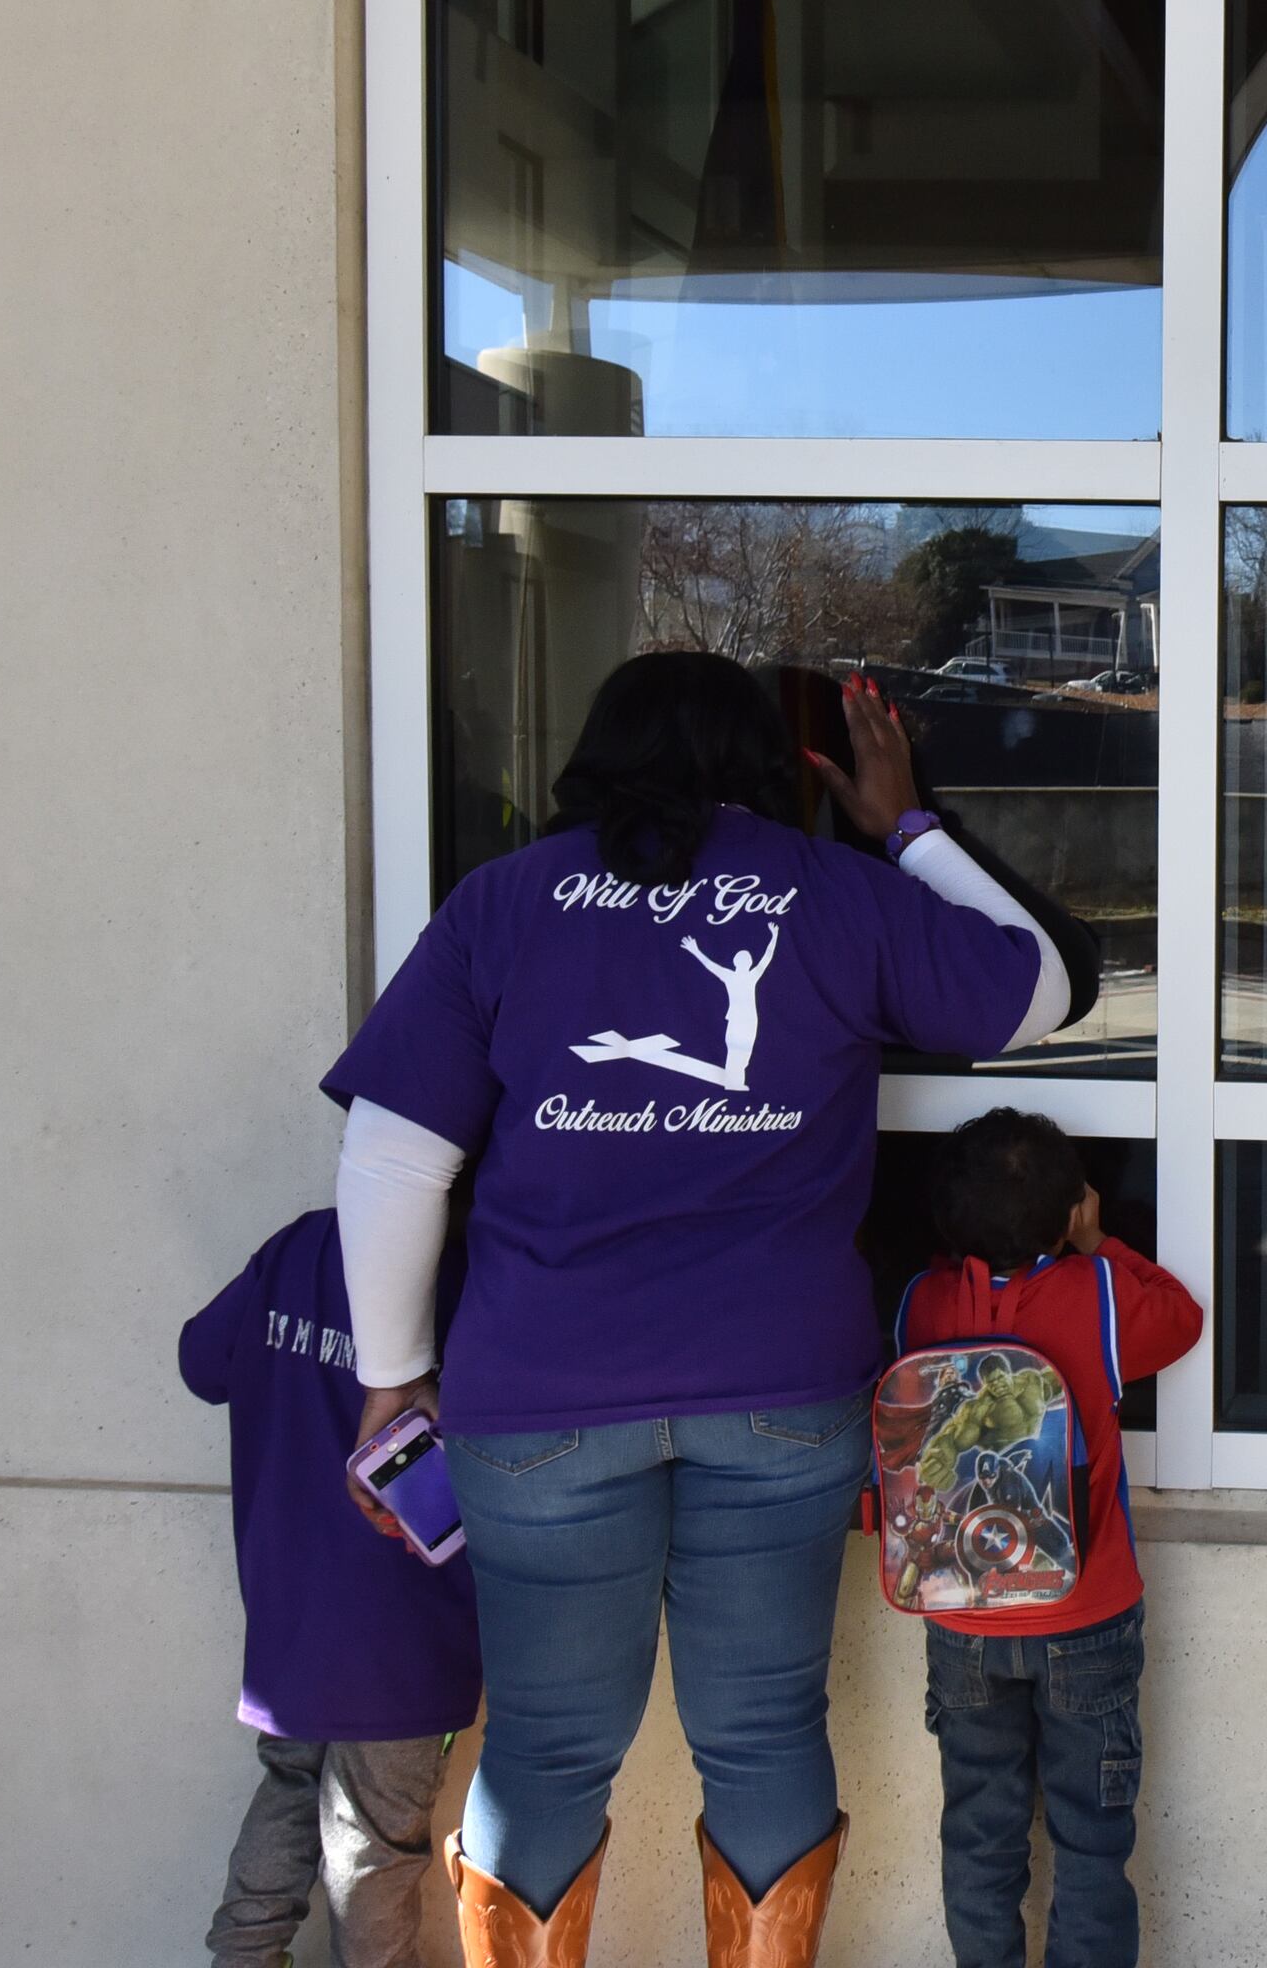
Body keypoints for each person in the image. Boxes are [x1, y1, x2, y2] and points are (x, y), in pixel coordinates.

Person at [326, 652, 1074, 1968]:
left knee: (547, 1747)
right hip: (782, 1399)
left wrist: (393, 1377)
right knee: (768, 1730)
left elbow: (396, 1158)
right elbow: (1043, 987)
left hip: (540, 1404)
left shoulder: (503, 906)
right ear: (769, 767)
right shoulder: (834, 895)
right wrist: (902, 824)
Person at [891, 1110, 1201, 1968]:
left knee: (979, 1837)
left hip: (961, 1613)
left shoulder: (922, 1302)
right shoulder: (1094, 1295)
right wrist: (1101, 1244)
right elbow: (1181, 1320)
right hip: (1086, 1616)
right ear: (1071, 1212)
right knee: (1091, 1842)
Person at [179, 1208, 482, 1968]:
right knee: (374, 1845)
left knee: (290, 1782)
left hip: (290, 1598)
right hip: (406, 1622)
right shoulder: (477, 1265)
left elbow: (201, 1362)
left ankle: (241, 1956)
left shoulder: (298, 1246)